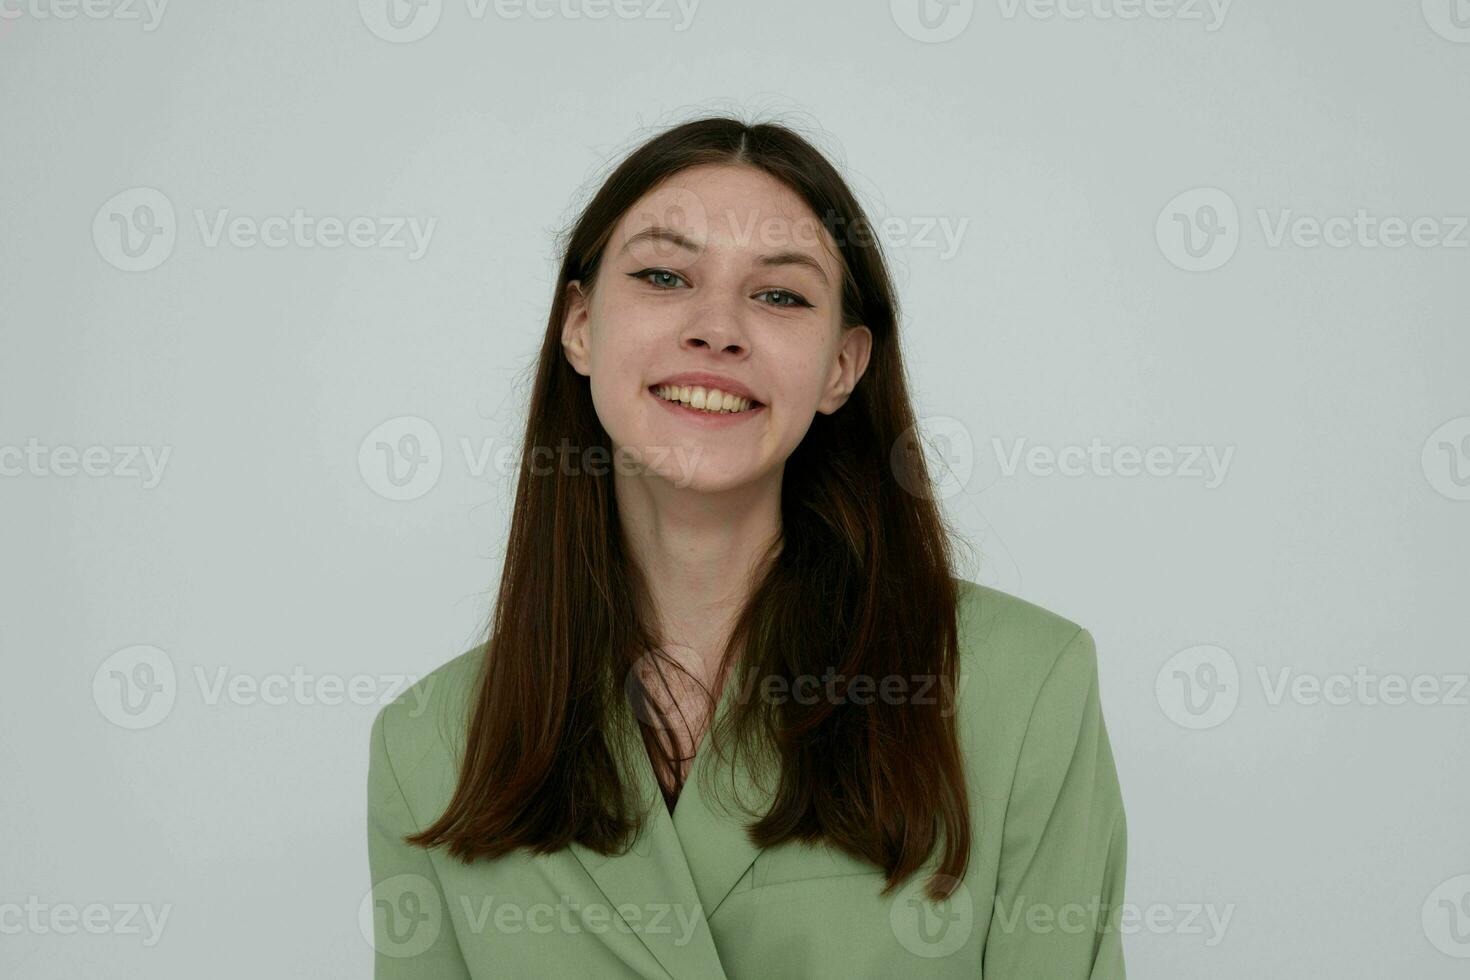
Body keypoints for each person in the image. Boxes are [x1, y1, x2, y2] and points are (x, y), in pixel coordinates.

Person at [366, 115, 1128, 979]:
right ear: (580, 326)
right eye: (663, 275)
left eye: (779, 296)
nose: (717, 328)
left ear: (842, 366)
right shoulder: (431, 747)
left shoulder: (1026, 689)